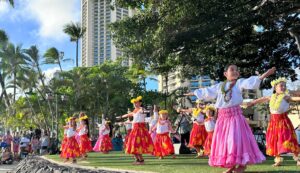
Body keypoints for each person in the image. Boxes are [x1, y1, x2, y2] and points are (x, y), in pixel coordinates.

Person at [185, 65, 275, 173]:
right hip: (222, 118)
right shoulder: (219, 86)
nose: (235, 71)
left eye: (237, 70)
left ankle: (242, 165)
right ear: (225, 74)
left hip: (235, 117)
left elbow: (251, 81)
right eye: (232, 69)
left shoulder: (239, 83)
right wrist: (193, 93)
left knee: (235, 140)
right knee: (225, 142)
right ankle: (231, 165)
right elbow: (206, 91)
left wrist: (265, 74)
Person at [247, 77, 300, 166]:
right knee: (274, 140)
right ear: (275, 88)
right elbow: (262, 99)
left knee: (288, 139)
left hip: (283, 121)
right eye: (281, 86)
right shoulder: (271, 97)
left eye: (284, 86)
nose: (283, 87)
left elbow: (294, 98)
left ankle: (298, 158)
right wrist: (252, 103)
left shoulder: (286, 96)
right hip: (273, 122)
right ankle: (278, 160)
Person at [117, 96, 154, 165]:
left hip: (140, 129)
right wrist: (121, 116)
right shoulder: (135, 110)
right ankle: (137, 160)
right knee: (132, 144)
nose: (134, 104)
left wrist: (146, 111)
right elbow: (129, 114)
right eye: (134, 103)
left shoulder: (141, 109)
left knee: (137, 144)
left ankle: (141, 160)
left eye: (136, 103)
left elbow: (143, 111)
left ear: (140, 103)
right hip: (134, 129)